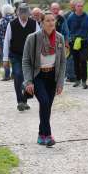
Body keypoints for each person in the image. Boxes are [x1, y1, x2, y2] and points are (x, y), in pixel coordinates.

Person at [22, 12, 66, 147]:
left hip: (52, 76)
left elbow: (63, 61)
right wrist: (28, 81)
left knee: (47, 106)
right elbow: (26, 61)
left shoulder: (60, 38)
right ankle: (48, 135)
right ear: (41, 23)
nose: (51, 23)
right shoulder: (33, 38)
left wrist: (60, 82)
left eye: (53, 20)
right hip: (38, 76)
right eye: (47, 20)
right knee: (45, 102)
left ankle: (41, 135)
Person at [3, 4, 40, 111]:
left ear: (29, 13)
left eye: (26, 14)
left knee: (28, 78)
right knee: (18, 75)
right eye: (22, 13)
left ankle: (24, 100)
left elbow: (39, 40)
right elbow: (6, 41)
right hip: (16, 55)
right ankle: (20, 101)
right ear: (18, 13)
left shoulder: (34, 24)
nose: (24, 16)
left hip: (29, 56)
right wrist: (5, 59)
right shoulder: (12, 24)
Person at [66, 0, 88, 89]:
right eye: (78, 6)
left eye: (81, 6)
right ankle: (77, 79)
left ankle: (84, 81)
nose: (80, 7)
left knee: (83, 60)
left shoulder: (87, 17)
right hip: (74, 42)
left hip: (84, 42)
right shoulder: (70, 17)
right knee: (76, 61)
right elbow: (67, 29)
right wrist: (69, 39)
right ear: (75, 7)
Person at [0, 4, 16, 81]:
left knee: (5, 58)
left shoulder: (2, 20)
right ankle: (14, 74)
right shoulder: (15, 19)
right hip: (14, 42)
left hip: (4, 42)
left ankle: (7, 75)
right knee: (14, 58)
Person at [64, 0, 77, 82]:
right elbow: (65, 28)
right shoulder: (66, 15)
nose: (73, 7)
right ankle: (70, 76)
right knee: (69, 57)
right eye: (72, 5)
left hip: (80, 39)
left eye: (74, 5)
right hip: (70, 39)